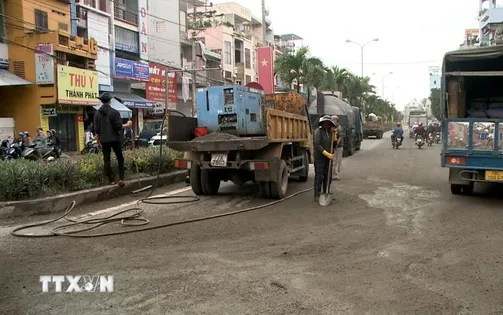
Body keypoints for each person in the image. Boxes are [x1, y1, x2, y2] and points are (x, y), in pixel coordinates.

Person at [93, 92, 132, 187]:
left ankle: (111, 180)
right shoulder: (114, 112)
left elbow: (97, 130)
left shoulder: (97, 114)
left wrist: (98, 141)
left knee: (107, 159)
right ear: (110, 101)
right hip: (115, 139)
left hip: (104, 140)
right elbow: (118, 127)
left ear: (102, 101)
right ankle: (121, 179)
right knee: (120, 158)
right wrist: (127, 124)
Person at [313, 115, 336, 201]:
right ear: (322, 123)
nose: (326, 125)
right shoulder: (318, 132)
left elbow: (334, 145)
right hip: (320, 157)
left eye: (328, 123)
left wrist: (335, 137)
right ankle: (317, 194)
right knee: (319, 176)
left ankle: (326, 191)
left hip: (328, 158)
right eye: (325, 123)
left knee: (328, 175)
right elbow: (317, 145)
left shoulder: (331, 132)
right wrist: (326, 153)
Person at [331, 115, 344, 180]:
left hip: (339, 147)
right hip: (334, 147)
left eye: (334, 120)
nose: (333, 121)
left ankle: (336, 174)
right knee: (334, 161)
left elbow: (341, 137)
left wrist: (336, 144)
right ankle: (334, 174)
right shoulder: (333, 128)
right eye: (332, 120)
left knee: (337, 161)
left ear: (337, 121)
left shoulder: (339, 128)